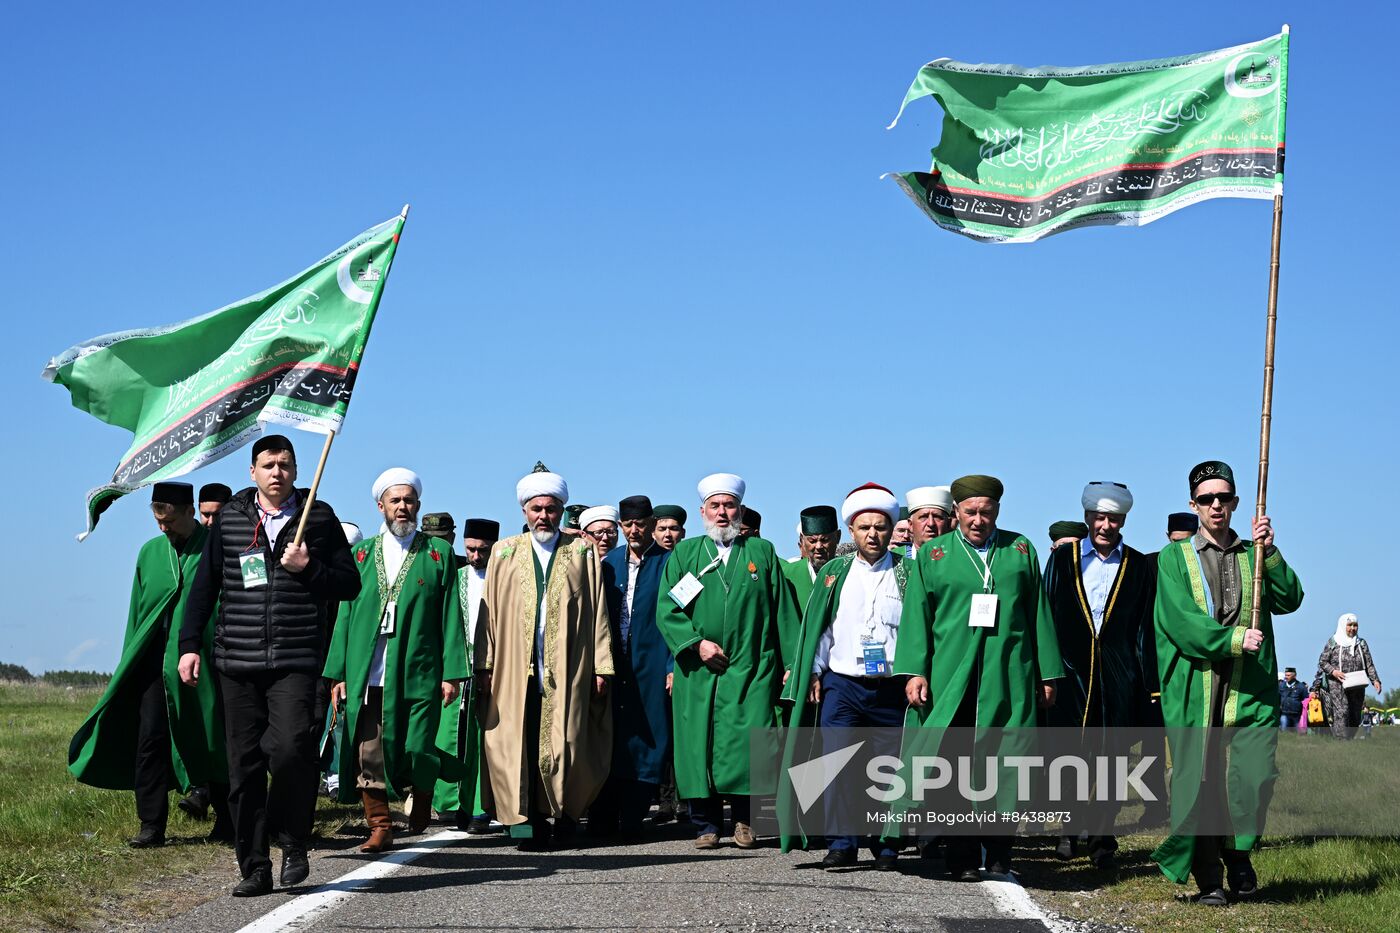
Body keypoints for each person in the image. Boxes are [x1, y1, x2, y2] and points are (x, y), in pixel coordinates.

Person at [179, 434, 361, 897]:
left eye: (284, 464)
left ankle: (292, 840)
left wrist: (309, 567)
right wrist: (189, 645)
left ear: (297, 470)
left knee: (291, 750)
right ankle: (254, 866)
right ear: (252, 472)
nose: (276, 472)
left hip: (295, 659)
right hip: (236, 662)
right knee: (244, 766)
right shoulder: (230, 520)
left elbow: (349, 583)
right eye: (268, 465)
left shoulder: (318, 518)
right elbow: (205, 587)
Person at [894, 474, 1063, 881]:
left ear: (997, 512)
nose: (978, 520)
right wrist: (916, 671)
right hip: (953, 676)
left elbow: (1038, 612)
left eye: (986, 512)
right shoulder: (934, 554)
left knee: (1007, 762)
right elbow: (917, 617)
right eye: (970, 512)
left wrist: (1047, 673)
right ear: (957, 512)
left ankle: (1002, 853)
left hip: (1008, 673)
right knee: (954, 766)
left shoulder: (1020, 549)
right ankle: (963, 856)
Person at [1151, 460, 1304, 906]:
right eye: (1206, 499)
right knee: (1200, 782)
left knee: (1254, 777)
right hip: (1198, 685)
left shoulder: (1252, 552)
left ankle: (1238, 855)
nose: (1216, 506)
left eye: (1223, 498)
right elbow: (1179, 621)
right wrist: (1234, 638)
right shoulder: (1173, 558)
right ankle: (1209, 878)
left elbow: (1290, 598)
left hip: (1250, 686)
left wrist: (1270, 552)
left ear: (1236, 501)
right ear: (1193, 504)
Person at [69, 482, 230, 848]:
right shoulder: (150, 553)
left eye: (171, 520)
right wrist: (129, 661)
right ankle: (152, 824)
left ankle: (227, 817)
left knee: (212, 735)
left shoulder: (214, 549)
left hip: (203, 660)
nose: (164, 528)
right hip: (152, 663)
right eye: (158, 521)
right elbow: (137, 613)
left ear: (191, 512)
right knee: (151, 740)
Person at [324, 469, 468, 853]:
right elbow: (345, 615)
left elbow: (451, 616)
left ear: (417, 505)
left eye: (409, 501)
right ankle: (381, 825)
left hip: (419, 670)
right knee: (369, 752)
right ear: (381, 506)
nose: (402, 507)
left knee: (418, 747)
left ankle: (422, 793)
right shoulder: (359, 554)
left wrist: (452, 672)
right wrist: (337, 672)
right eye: (395, 501)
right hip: (366, 672)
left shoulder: (437, 556)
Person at [475, 463, 614, 850]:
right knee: (517, 741)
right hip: (514, 669)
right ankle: (528, 823)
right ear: (524, 512)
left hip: (568, 666)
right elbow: (489, 612)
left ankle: (566, 818)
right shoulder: (504, 552)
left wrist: (602, 664)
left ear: (560, 510)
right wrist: (484, 665)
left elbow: (598, 609)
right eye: (536, 509)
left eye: (550, 508)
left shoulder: (582, 550)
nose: (543, 516)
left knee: (567, 740)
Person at [657, 473, 798, 850]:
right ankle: (704, 824)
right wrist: (696, 644)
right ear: (703, 511)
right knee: (696, 743)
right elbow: (669, 609)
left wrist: (792, 663)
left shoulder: (762, 553)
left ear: (740, 510)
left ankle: (744, 821)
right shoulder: (686, 554)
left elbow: (783, 610)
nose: (722, 513)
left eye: (729, 506)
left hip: (751, 667)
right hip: (699, 669)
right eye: (715, 506)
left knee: (746, 743)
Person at [779, 484, 907, 869]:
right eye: (864, 527)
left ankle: (886, 843)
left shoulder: (909, 572)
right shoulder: (835, 573)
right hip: (843, 684)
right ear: (850, 531)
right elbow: (822, 629)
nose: (872, 534)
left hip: (891, 688)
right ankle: (841, 842)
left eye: (881, 527)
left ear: (890, 529)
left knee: (890, 768)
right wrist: (815, 673)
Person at [1043, 482, 1158, 869]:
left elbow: (1144, 627)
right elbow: (1047, 616)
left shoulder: (1139, 565)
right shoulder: (1063, 559)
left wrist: (1147, 682)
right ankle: (1067, 827)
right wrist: (1047, 671)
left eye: (1113, 518)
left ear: (1124, 519)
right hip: (1071, 673)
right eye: (1099, 517)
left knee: (1113, 758)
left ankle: (1102, 837)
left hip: (1118, 675)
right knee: (1068, 753)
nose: (1105, 525)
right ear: (1087, 517)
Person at [591, 495, 674, 839]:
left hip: (652, 662)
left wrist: (672, 664)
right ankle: (603, 814)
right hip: (613, 663)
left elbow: (681, 615)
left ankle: (635, 814)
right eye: (628, 525)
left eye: (641, 524)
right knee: (611, 735)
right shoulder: (606, 563)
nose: (635, 530)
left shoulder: (671, 563)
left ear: (652, 523)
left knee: (649, 736)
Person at [435, 518, 500, 832]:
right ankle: (447, 803)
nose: (476, 556)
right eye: (471, 549)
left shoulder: (503, 579)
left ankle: (478, 807)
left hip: (492, 667)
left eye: (482, 550)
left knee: (481, 738)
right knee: (448, 733)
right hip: (455, 665)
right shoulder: (455, 576)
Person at [781, 506, 840, 658]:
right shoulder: (787, 575)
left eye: (825, 540)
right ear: (802, 540)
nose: (818, 547)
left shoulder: (848, 572)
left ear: (838, 537)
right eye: (812, 541)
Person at [1317, 613, 1381, 740]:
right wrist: (1334, 672)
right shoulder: (1333, 642)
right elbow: (1323, 661)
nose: (1352, 628)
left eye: (1355, 625)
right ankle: (1341, 741)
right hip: (1337, 683)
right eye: (1349, 625)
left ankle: (1349, 739)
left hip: (1357, 683)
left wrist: (1375, 680)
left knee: (1355, 714)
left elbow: (1369, 663)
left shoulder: (1361, 643)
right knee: (1342, 711)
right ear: (1343, 625)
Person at [896, 485, 955, 557]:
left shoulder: (958, 557)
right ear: (910, 525)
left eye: (937, 517)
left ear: (948, 524)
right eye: (924, 517)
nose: (931, 523)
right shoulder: (894, 559)